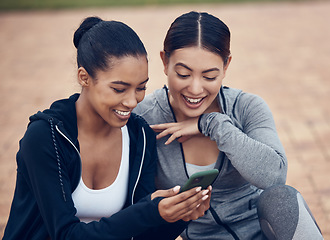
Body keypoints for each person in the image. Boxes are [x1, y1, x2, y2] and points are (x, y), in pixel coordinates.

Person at [3, 16, 211, 240]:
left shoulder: (139, 136)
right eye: (119, 89)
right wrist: (149, 210)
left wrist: (179, 216)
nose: (132, 102)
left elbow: (141, 235)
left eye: (141, 88)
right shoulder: (47, 137)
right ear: (84, 78)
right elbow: (65, 235)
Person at [133, 11, 324, 240]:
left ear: (226, 66)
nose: (195, 89)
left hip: (262, 234)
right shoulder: (144, 118)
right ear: (165, 62)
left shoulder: (246, 107)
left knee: (281, 198)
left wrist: (213, 124)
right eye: (183, 74)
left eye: (209, 76)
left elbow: (274, 177)